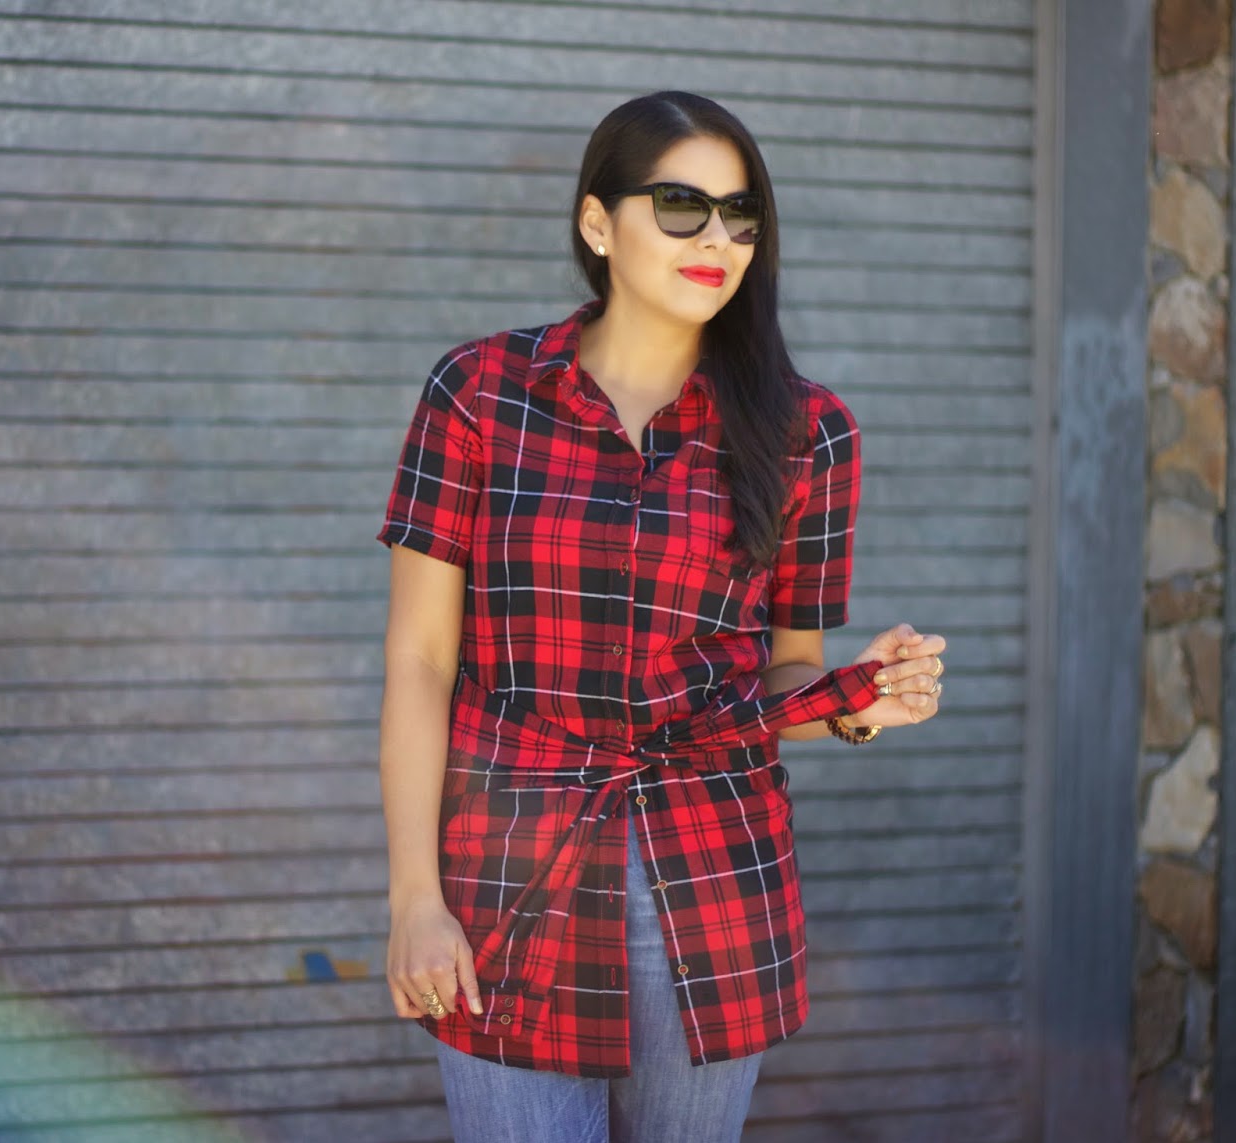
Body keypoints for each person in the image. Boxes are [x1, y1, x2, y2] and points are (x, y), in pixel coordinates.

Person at [375, 90, 947, 1143]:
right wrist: (416, 894)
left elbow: (787, 672)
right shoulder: (478, 394)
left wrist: (858, 703)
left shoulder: (807, 431)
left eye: (741, 215)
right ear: (598, 223)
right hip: (509, 874)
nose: (717, 239)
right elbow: (419, 659)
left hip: (714, 881)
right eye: (682, 207)